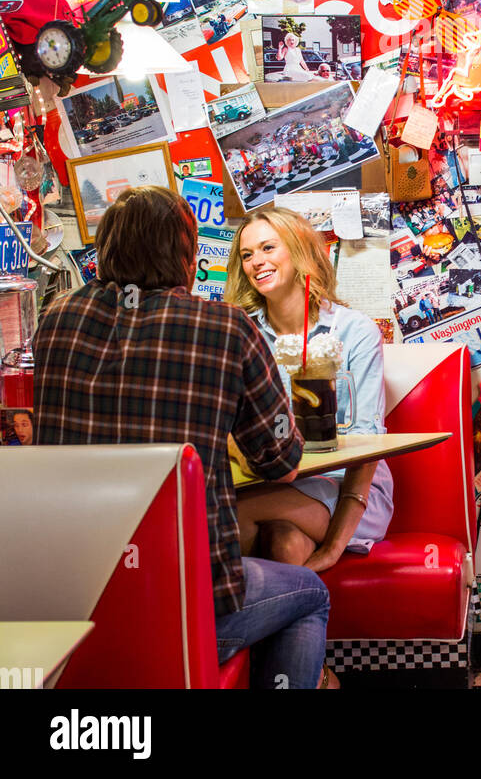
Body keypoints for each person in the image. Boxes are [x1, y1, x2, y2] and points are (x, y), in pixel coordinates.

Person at [32, 187, 329, 691]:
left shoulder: (56, 319)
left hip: (65, 606)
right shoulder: (226, 327)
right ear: (188, 257)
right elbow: (281, 459)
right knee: (309, 593)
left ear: (104, 250)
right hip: (183, 605)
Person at [225, 209, 394, 577]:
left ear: (300, 251)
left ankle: (199, 633)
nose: (257, 262)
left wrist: (334, 547)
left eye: (268, 247)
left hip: (349, 494)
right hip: (273, 483)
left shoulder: (355, 332)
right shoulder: (240, 334)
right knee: (284, 544)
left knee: (224, 516)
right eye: (247, 254)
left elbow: (366, 444)